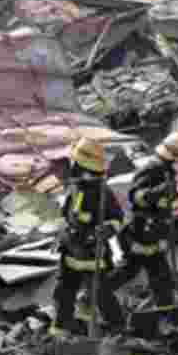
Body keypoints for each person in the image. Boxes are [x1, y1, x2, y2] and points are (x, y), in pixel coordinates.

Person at [52, 134, 125, 337]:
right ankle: (60, 331)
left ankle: (118, 329)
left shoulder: (103, 193)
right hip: (71, 249)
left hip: (93, 251)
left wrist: (108, 229)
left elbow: (118, 217)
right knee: (64, 292)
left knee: (101, 294)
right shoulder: (73, 188)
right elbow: (67, 214)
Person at [111, 130, 178, 310]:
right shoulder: (152, 168)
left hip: (152, 231)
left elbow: (165, 197)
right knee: (130, 269)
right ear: (175, 155)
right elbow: (136, 196)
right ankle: (95, 294)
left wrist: (175, 198)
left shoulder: (165, 170)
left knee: (159, 271)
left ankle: (166, 306)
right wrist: (161, 191)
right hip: (139, 231)